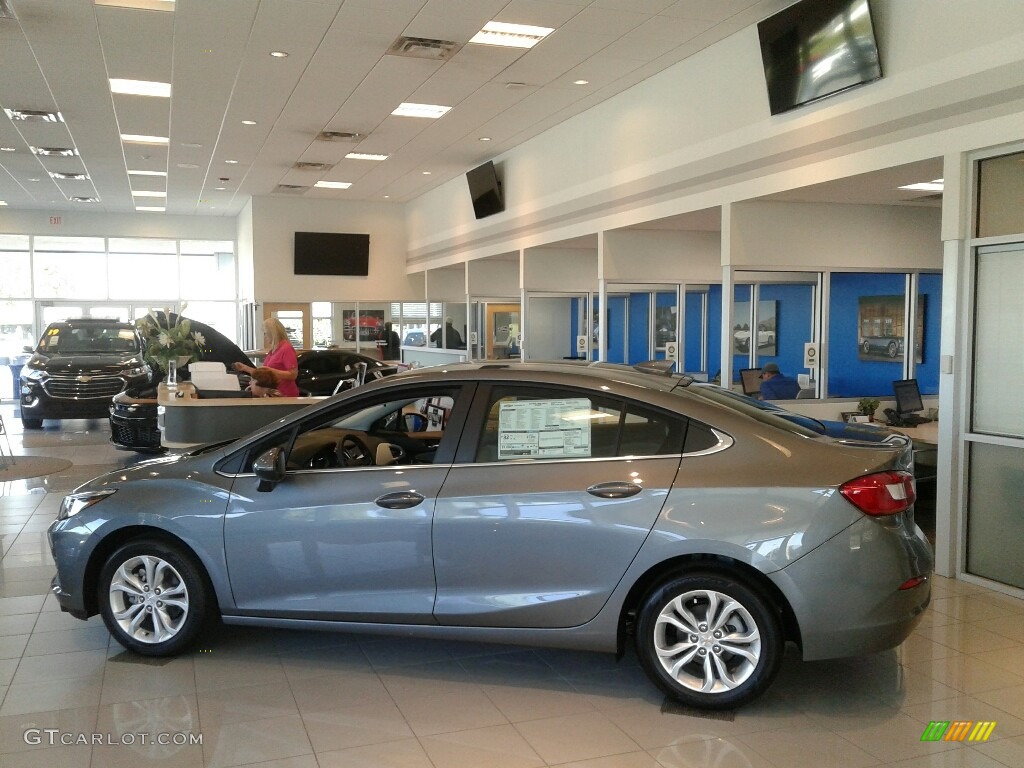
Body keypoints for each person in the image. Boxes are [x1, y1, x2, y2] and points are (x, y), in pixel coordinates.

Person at [233, 318, 300, 397]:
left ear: (272, 333)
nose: (264, 337)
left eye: (265, 334)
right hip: (272, 393)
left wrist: (271, 371)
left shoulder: (286, 349)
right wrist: (245, 368)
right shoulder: (273, 351)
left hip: (285, 394)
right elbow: (264, 374)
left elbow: (293, 374)